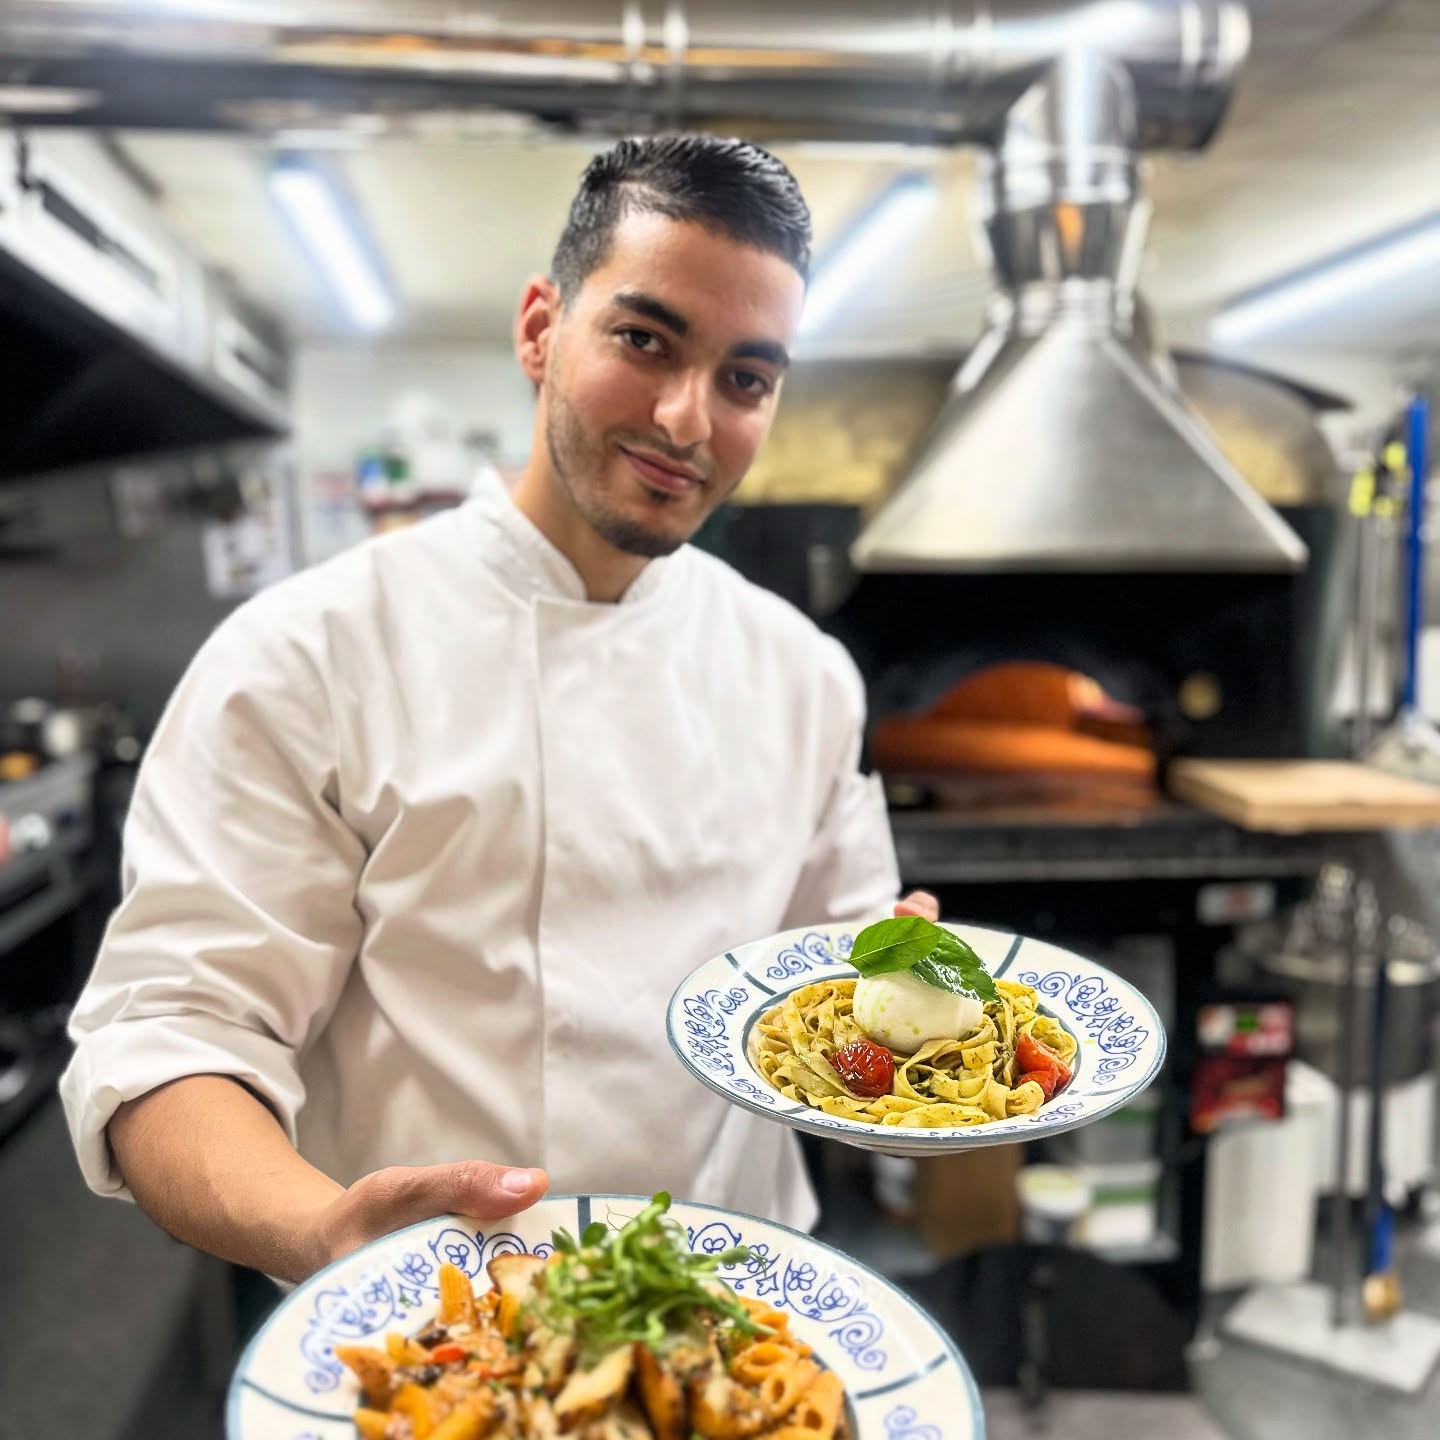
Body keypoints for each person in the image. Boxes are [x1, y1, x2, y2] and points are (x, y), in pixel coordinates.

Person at [60, 134, 936, 1285]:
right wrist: (325, 1237)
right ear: (539, 328)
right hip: (426, 1322)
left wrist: (909, 995)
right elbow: (168, 1039)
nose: (687, 419)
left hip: (740, 1314)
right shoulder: (309, 653)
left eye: (746, 379)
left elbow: (834, 982)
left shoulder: (802, 672)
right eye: (644, 339)